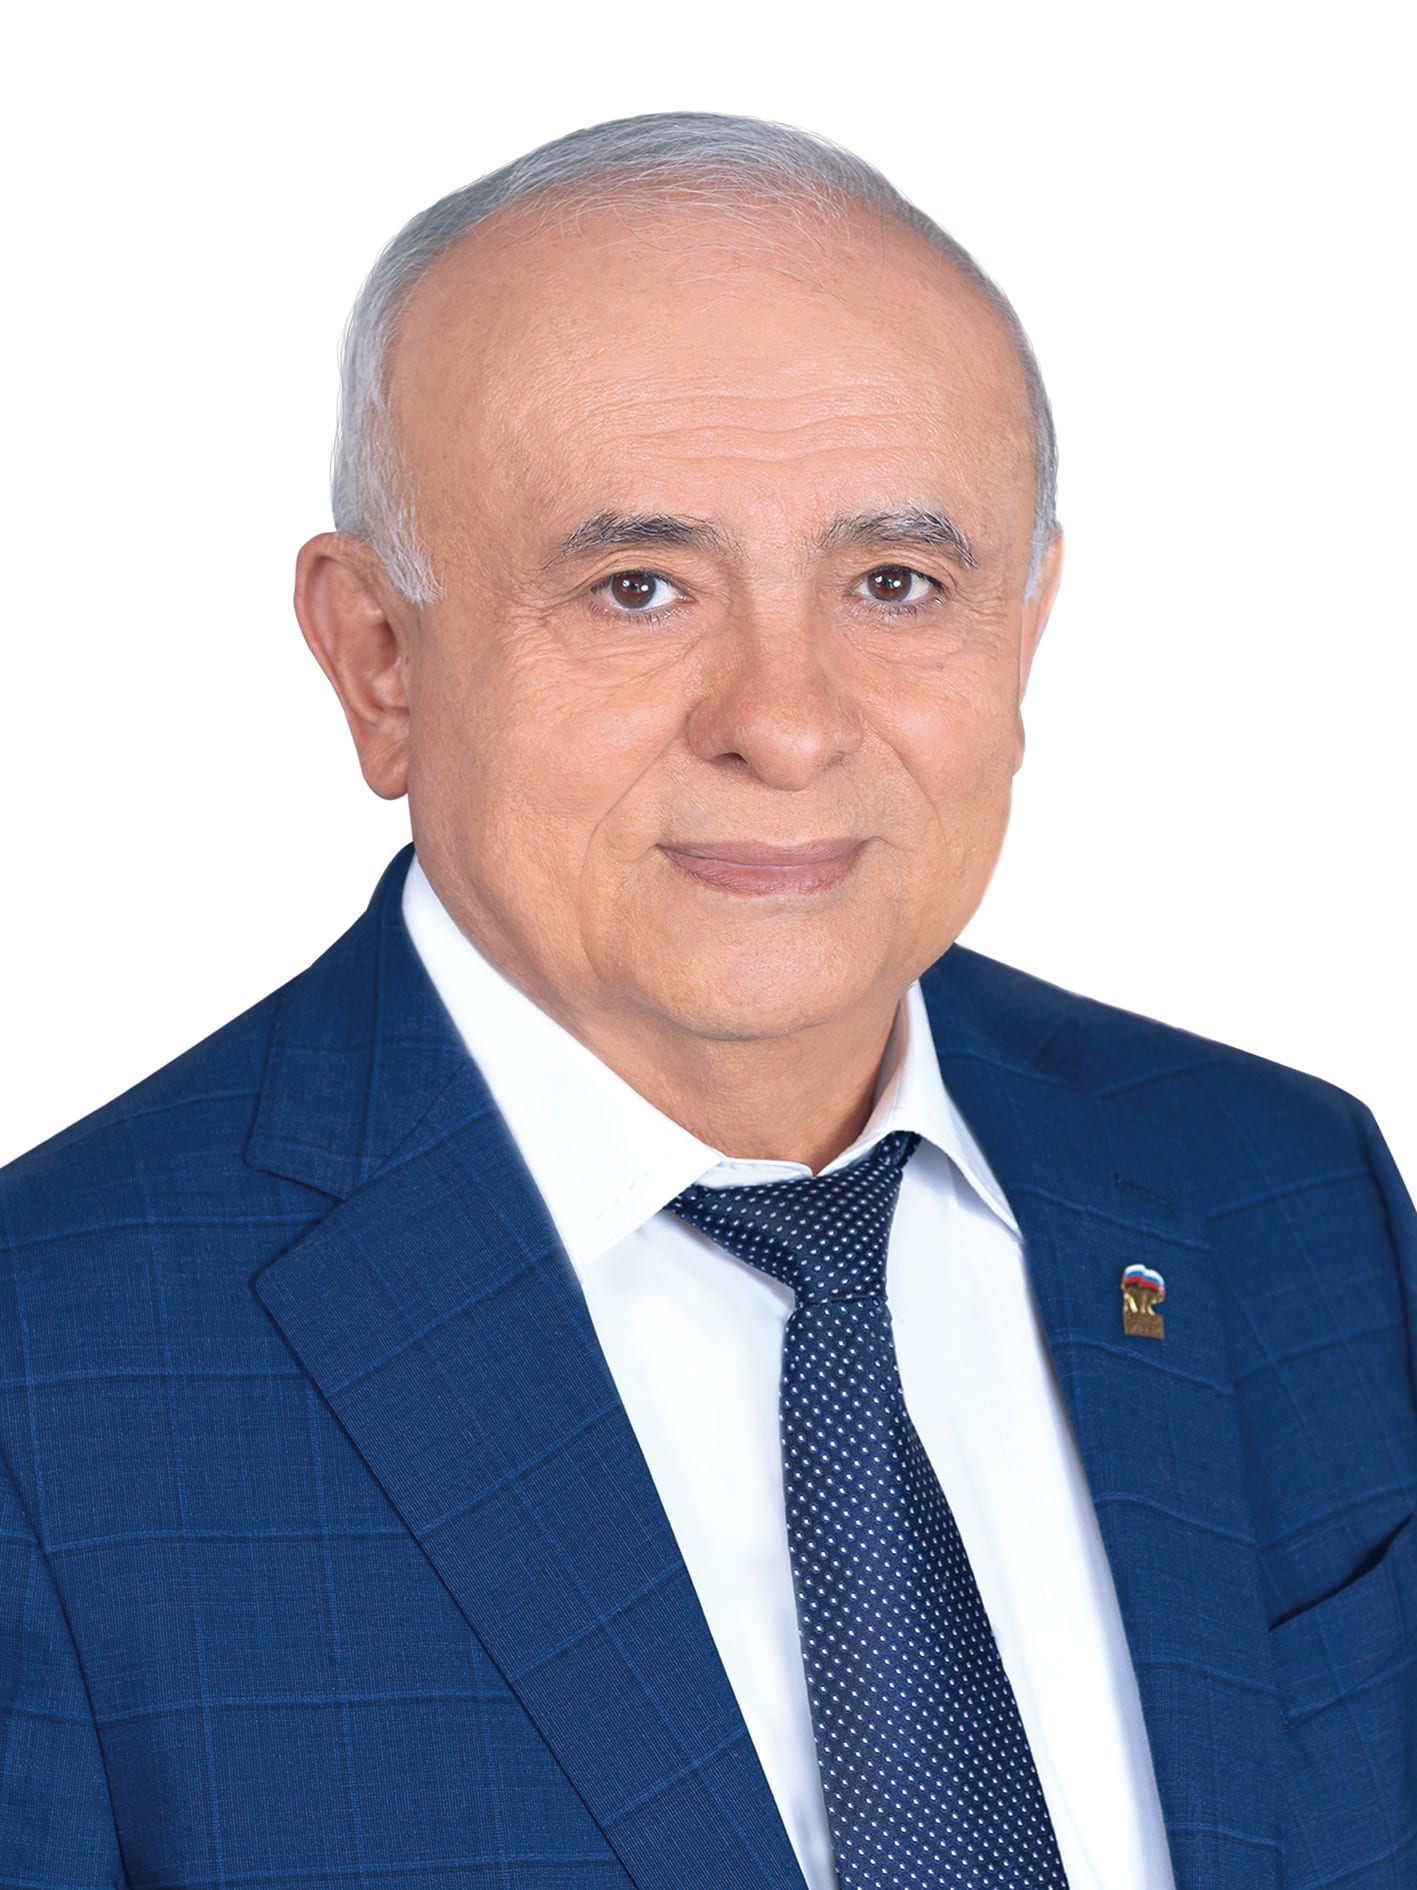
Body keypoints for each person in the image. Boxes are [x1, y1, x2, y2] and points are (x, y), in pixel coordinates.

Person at [1, 111, 1412, 1890]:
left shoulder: (1288, 1196)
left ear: (1026, 622)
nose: (787, 722)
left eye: (894, 583)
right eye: (637, 587)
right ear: (379, 660)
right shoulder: (47, 1374)